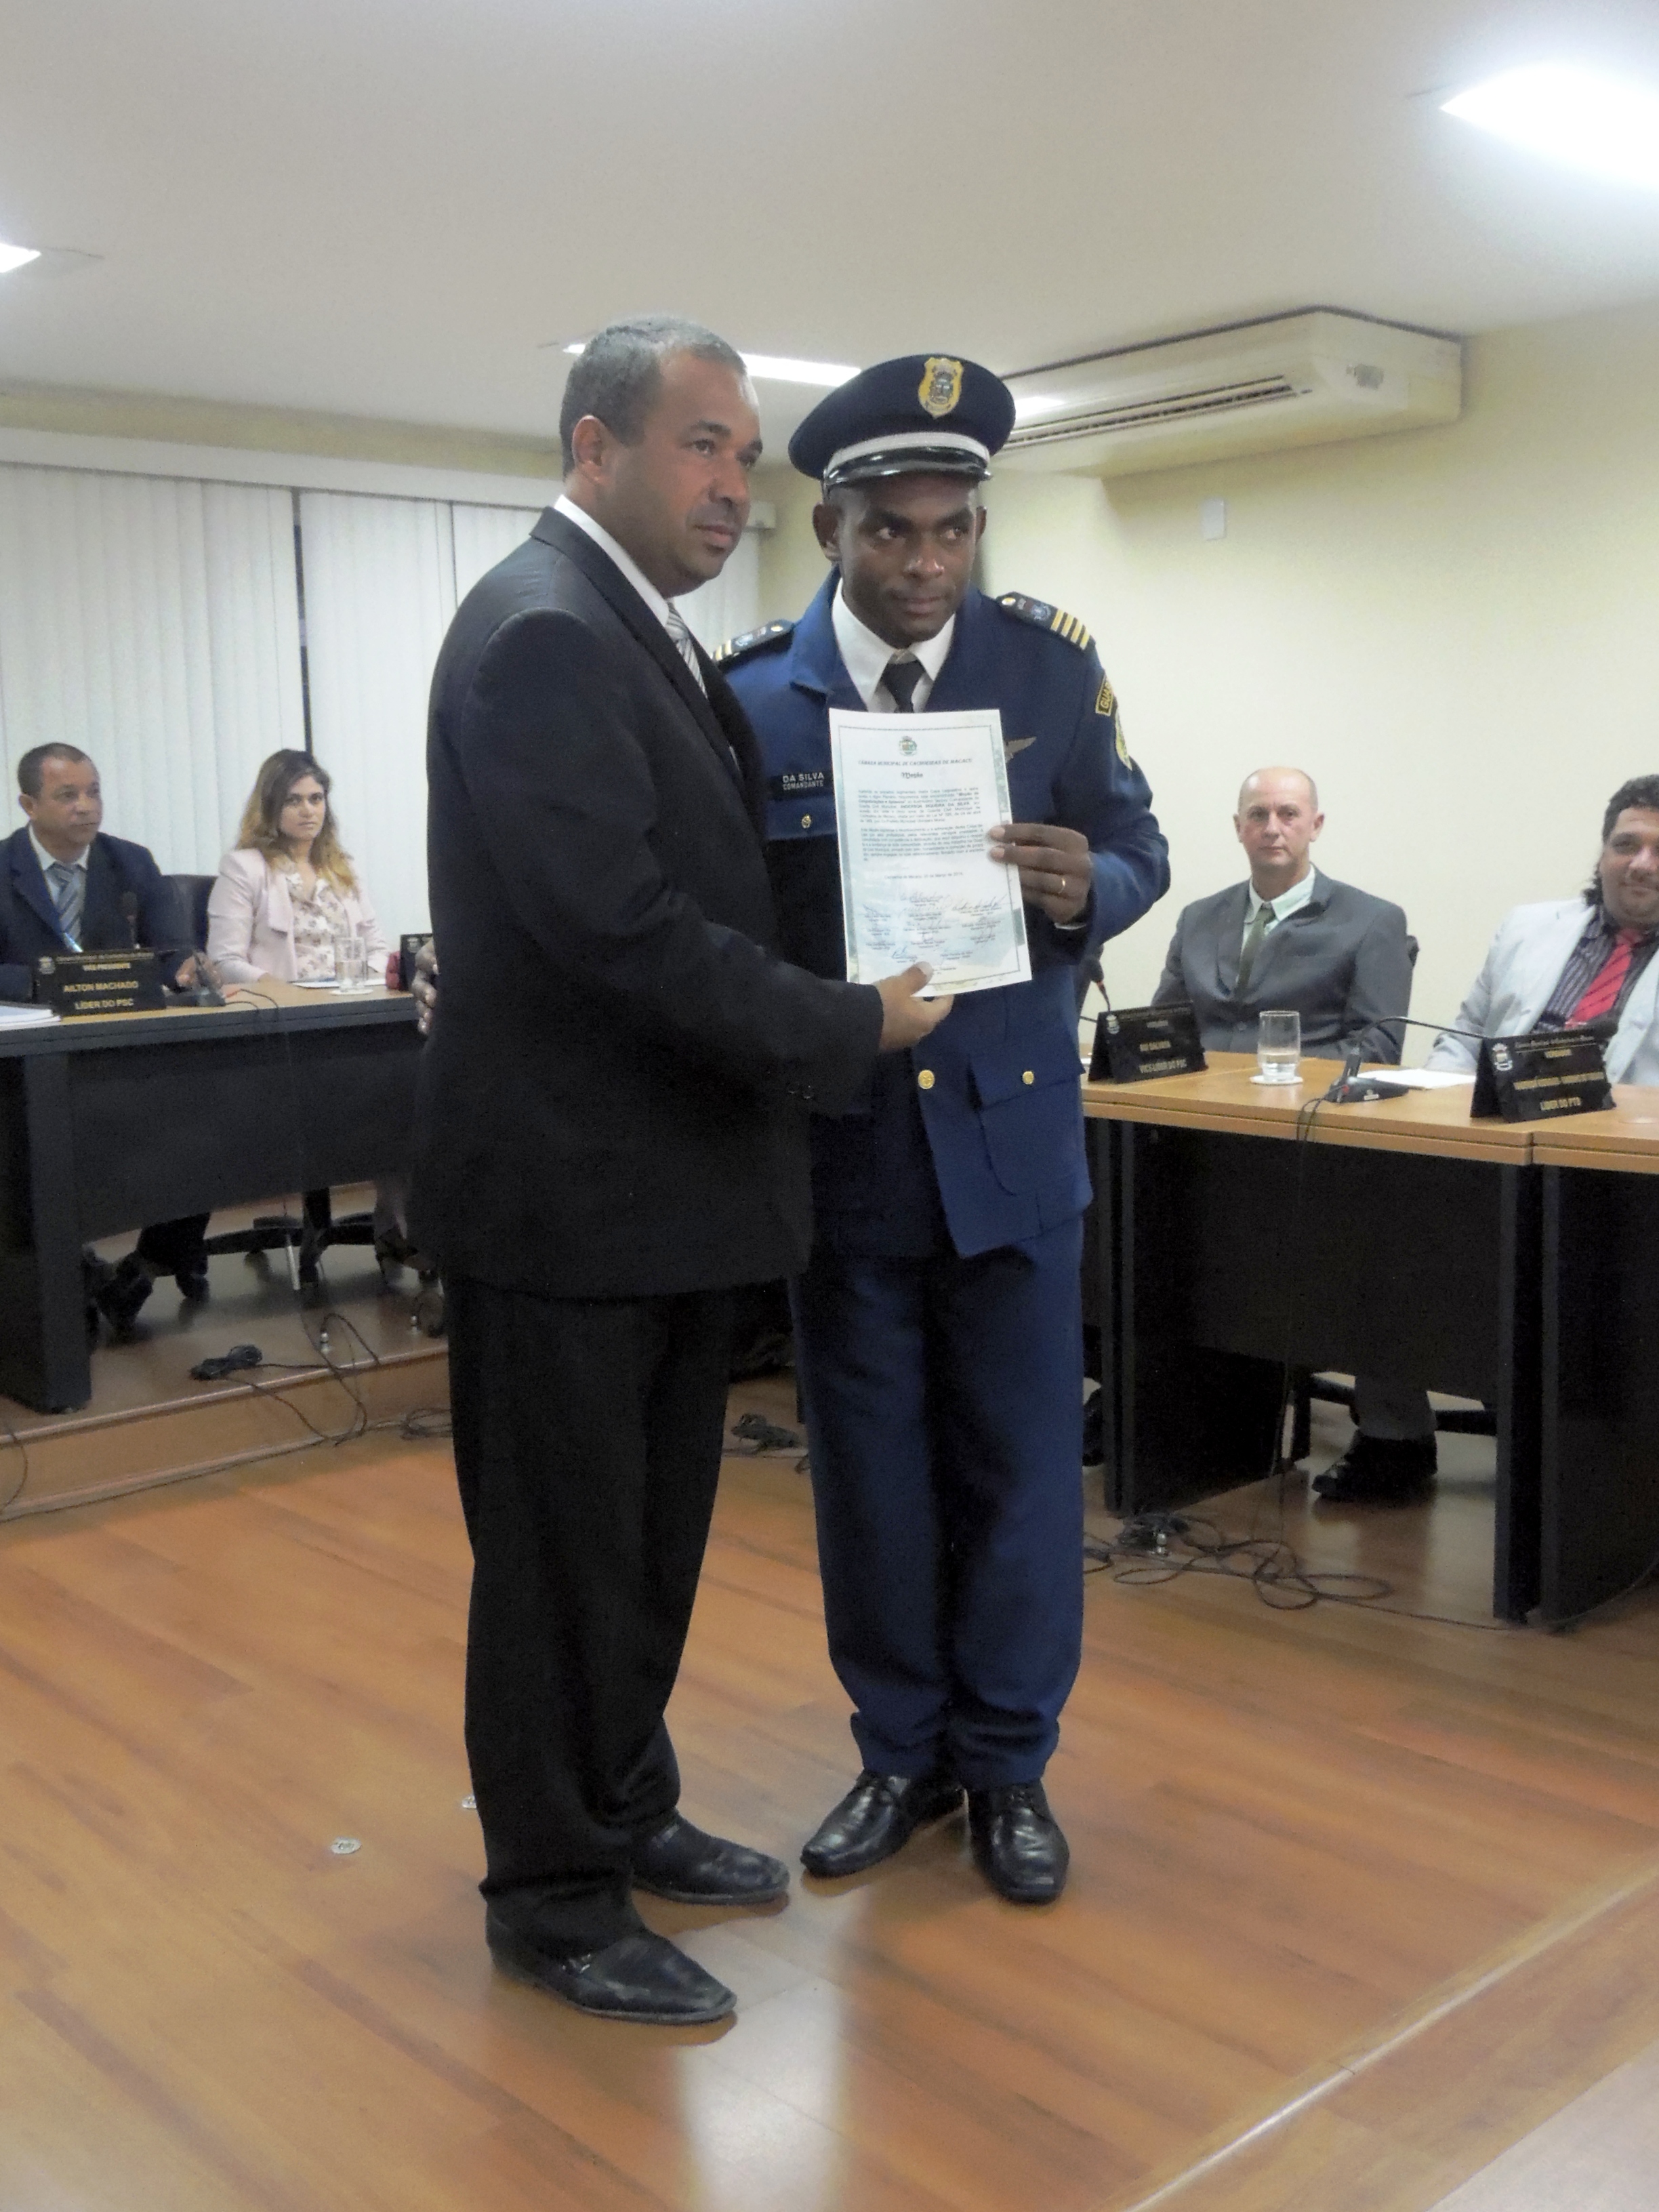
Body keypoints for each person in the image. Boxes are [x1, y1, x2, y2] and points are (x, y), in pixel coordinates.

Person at [411, 316, 949, 2027]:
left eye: (746, 455)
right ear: (595, 448)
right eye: (701, 445)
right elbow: (622, 932)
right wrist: (846, 1020)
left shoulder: (633, 625)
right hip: (569, 1208)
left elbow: (707, 889)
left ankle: (624, 1808)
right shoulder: (542, 633)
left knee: (640, 1551)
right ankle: (553, 1897)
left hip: (659, 1200)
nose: (735, 485)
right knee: (564, 1570)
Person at [720, 355, 1168, 1904]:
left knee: (1023, 1472)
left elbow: (1138, 844)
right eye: (891, 532)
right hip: (845, 1149)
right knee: (870, 1475)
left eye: (953, 530)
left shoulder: (1044, 671)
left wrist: (1087, 886)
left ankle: (1009, 1765)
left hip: (1012, 1147)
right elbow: (723, 935)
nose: (925, 565)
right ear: (828, 527)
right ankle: (898, 1752)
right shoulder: (751, 698)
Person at [1151, 766, 1433, 1501]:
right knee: (1134, 1227)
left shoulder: (1371, 919)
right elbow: (1164, 1029)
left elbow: (1379, 1044)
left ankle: (1394, 1433)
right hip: (1197, 1138)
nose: (1272, 827)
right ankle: (1143, 1407)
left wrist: (1268, 1078)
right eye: (1258, 814)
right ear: (1238, 828)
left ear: (1315, 825)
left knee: (1371, 1251)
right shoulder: (1199, 917)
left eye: (1287, 813)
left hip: (1315, 1146)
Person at [0, 743, 211, 1329]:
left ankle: (141, 1270)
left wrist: (185, 968)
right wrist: (50, 980)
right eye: (67, 795)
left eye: (93, 792)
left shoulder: (130, 862)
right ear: (28, 804)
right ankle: (61, 1279)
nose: (86, 807)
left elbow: (172, 950)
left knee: (207, 1122)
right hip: (31, 1061)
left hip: (125, 1050)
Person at [1427, 776, 1659, 1084]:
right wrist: (1444, 1099)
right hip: (1505, 1109)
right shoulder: (1525, 928)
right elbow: (1465, 1039)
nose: (1642, 865)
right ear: (1602, 856)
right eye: (1626, 845)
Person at [207, 750, 390, 989]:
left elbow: (377, 950)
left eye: (316, 799)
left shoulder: (341, 869)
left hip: (348, 1000)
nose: (308, 810)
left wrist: (362, 984)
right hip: (285, 1004)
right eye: (293, 801)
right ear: (270, 808)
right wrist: (284, 992)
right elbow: (225, 961)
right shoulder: (243, 867)